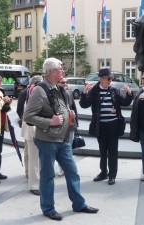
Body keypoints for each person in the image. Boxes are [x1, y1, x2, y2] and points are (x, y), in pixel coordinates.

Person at [23, 57, 98, 221]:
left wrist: (69, 114)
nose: (63, 71)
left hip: (63, 139)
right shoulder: (39, 90)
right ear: (51, 72)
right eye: (60, 69)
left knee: (72, 172)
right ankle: (48, 208)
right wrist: (50, 122)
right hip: (47, 140)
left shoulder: (59, 88)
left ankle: (79, 204)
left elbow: (59, 108)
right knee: (48, 176)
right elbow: (28, 116)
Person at [79, 68, 133, 185]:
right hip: (101, 126)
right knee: (103, 151)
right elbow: (84, 105)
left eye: (111, 79)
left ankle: (112, 175)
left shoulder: (114, 91)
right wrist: (84, 94)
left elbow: (124, 103)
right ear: (100, 79)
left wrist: (129, 94)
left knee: (113, 151)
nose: (110, 81)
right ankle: (103, 172)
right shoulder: (94, 91)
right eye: (107, 78)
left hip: (113, 125)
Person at [20, 75, 43, 195]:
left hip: (31, 126)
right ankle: (34, 184)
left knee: (33, 156)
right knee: (32, 155)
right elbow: (25, 111)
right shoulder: (32, 92)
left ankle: (36, 180)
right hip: (31, 127)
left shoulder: (31, 91)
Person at [56, 77, 79, 176]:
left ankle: (68, 168)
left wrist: (76, 121)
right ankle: (62, 168)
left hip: (70, 124)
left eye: (66, 82)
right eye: (62, 82)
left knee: (69, 148)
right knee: (62, 148)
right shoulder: (55, 94)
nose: (65, 84)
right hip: (60, 126)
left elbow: (74, 107)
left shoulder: (69, 93)